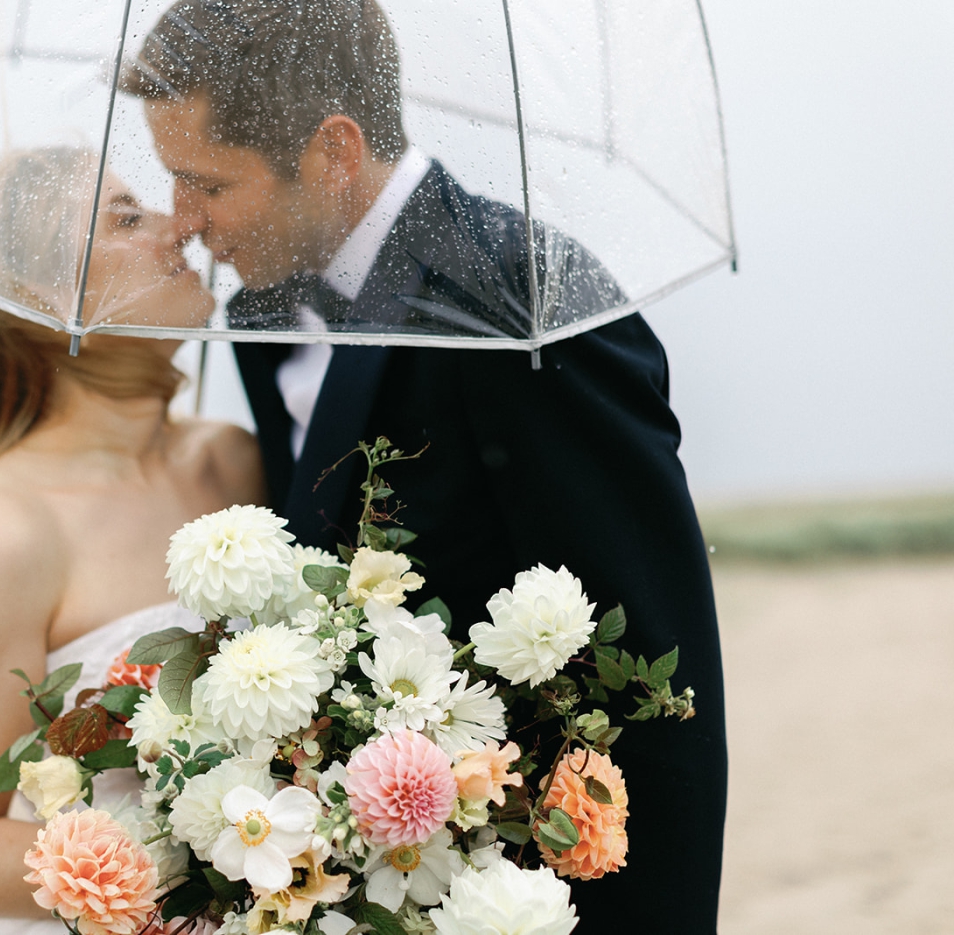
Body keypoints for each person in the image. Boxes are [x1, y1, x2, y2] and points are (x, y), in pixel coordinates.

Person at [125, 2, 728, 931]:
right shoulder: (261, 310)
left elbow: (657, 677)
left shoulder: (521, 302)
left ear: (334, 149)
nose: (185, 222)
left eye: (204, 182)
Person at [0, 147, 262, 929]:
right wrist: (216, 859)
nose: (182, 226)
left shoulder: (236, 462)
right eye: (128, 218)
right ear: (36, 297)